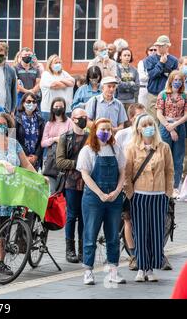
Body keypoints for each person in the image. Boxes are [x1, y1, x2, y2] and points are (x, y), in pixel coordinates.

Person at [0, 113, 36, 279]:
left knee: (5, 229)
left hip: (9, 191)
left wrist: (39, 177)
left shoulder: (14, 144)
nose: (1, 126)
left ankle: (0, 262)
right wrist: (1, 162)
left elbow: (26, 164)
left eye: (4, 124)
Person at [123, 114, 173, 283]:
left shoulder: (164, 147)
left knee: (156, 232)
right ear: (138, 128)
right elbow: (127, 173)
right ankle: (141, 267)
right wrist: (130, 193)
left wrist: (168, 193)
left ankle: (151, 268)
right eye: (144, 125)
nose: (148, 127)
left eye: (151, 124)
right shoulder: (131, 148)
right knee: (140, 232)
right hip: (139, 196)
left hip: (159, 196)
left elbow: (169, 171)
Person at [77, 118, 126, 285]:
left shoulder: (116, 149)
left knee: (113, 235)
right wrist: (100, 194)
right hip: (93, 198)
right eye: (102, 129)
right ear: (95, 130)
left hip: (114, 197)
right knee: (90, 234)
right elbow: (85, 175)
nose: (105, 132)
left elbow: (122, 172)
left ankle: (113, 270)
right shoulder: (87, 151)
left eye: (108, 129)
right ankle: (88, 271)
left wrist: (117, 191)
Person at [114, 104, 146, 271]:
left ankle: (152, 253)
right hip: (128, 183)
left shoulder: (149, 134)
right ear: (131, 118)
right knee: (128, 219)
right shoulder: (122, 135)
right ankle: (133, 254)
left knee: (145, 220)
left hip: (146, 184)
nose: (142, 120)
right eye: (139, 116)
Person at [56, 108, 89, 263]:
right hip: (71, 181)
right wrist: (79, 164)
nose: (83, 120)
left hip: (88, 182)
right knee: (72, 215)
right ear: (73, 119)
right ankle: (70, 249)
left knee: (84, 216)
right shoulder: (66, 137)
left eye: (85, 117)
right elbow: (60, 161)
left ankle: (83, 249)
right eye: (79, 117)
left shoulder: (90, 137)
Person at [156, 70, 187, 197]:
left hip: (179, 125)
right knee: (163, 155)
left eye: (180, 80)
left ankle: (175, 186)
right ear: (171, 80)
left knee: (178, 158)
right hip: (165, 125)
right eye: (175, 80)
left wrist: (175, 126)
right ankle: (162, 184)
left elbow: (186, 115)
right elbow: (159, 113)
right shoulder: (163, 94)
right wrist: (170, 128)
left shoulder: (184, 96)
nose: (178, 82)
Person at [41, 97, 73, 193]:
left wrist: (62, 140)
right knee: (50, 188)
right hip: (51, 159)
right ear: (52, 108)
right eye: (56, 106)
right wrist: (55, 139)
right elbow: (43, 143)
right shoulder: (49, 123)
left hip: (64, 157)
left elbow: (71, 139)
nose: (58, 108)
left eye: (61, 106)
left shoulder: (69, 122)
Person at [145, 35, 178, 121]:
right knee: (153, 120)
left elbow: (174, 77)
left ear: (167, 46)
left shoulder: (174, 60)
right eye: (157, 45)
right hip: (153, 94)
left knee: (167, 120)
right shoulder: (150, 59)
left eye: (161, 45)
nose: (158, 47)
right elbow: (152, 75)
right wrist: (161, 63)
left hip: (168, 95)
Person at [40, 54, 75, 121]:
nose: (58, 64)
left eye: (59, 62)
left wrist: (60, 80)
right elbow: (54, 85)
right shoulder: (46, 74)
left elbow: (72, 83)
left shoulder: (65, 73)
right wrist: (66, 83)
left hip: (66, 109)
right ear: (50, 64)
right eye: (56, 63)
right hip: (49, 110)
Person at [15, 92, 45, 170]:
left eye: (34, 101)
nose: (31, 103)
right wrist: (25, 155)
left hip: (35, 159)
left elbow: (42, 139)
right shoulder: (15, 118)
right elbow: (13, 139)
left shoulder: (40, 120)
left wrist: (36, 155)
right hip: (20, 156)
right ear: (23, 103)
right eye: (28, 101)